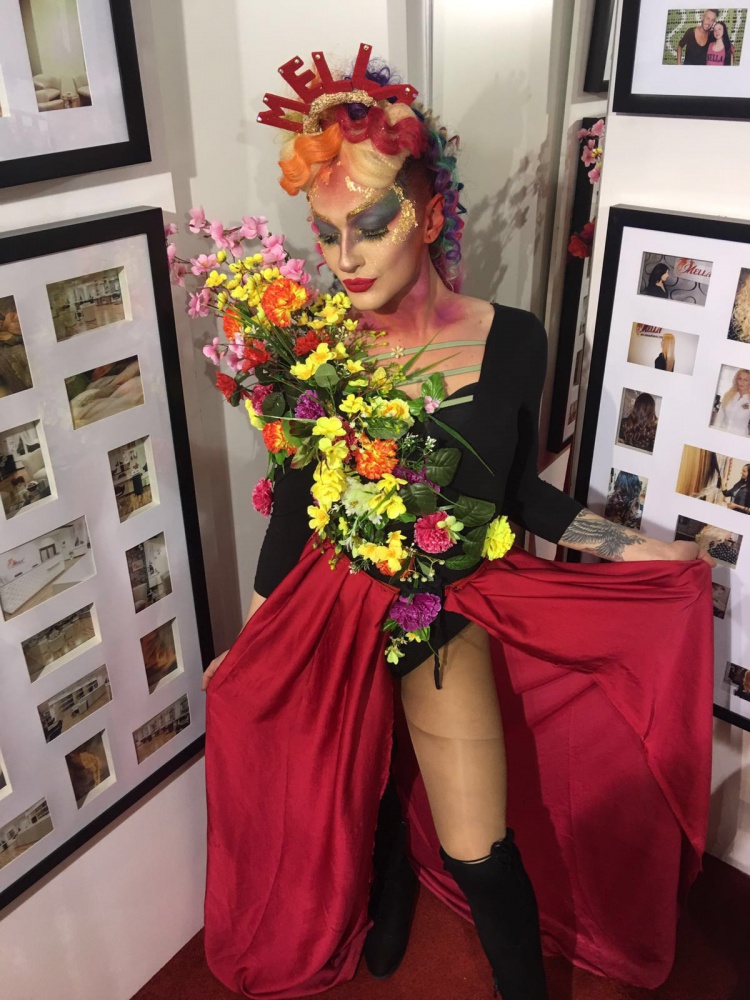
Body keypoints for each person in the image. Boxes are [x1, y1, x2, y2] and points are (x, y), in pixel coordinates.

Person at [202, 44, 715, 1000]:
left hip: (440, 611)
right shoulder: (316, 349)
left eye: (371, 225)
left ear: (431, 216)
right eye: (326, 233)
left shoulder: (513, 338)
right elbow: (300, 502)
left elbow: (521, 497)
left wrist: (639, 551)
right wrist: (255, 633)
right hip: (330, 603)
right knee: (350, 791)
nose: (345, 258)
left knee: (479, 843)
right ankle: (389, 891)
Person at [712, 368, 750, 435]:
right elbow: (719, 417)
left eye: (746, 380)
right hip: (721, 433)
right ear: (736, 380)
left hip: (739, 437)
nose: (742, 382)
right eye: (740, 379)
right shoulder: (728, 395)